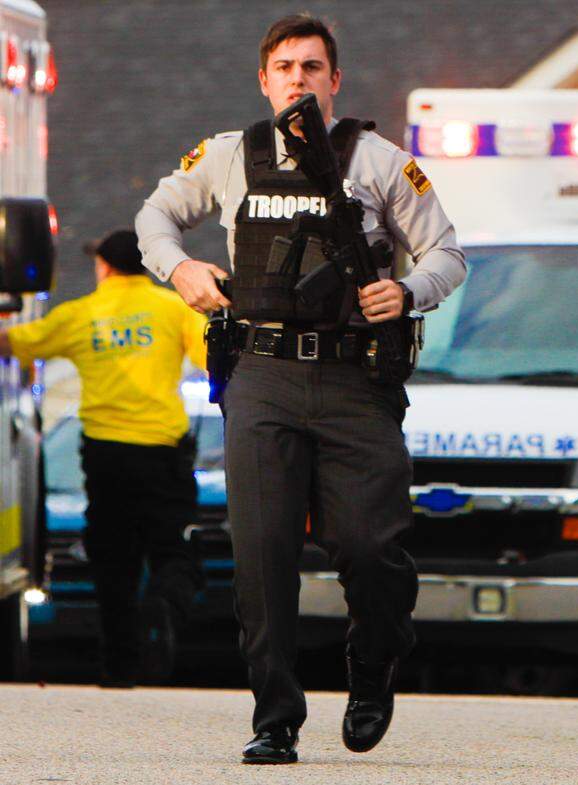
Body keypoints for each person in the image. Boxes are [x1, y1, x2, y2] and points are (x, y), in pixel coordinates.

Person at [135, 13, 465, 764]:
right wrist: (179, 268)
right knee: (262, 550)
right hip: (262, 375)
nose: (297, 78)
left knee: (371, 547)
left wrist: (408, 292)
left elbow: (448, 253)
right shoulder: (229, 155)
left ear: (335, 79)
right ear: (264, 78)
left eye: (312, 67)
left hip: (356, 379)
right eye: (284, 66)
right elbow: (155, 215)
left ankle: (375, 662)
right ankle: (275, 714)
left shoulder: (380, 160)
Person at [0, 229, 206, 688]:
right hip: (163, 454)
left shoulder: (82, 314)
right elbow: (211, 356)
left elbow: (16, 343)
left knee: (114, 563)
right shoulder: (172, 310)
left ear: (104, 267)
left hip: (106, 457)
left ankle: (119, 668)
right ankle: (165, 607)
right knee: (173, 551)